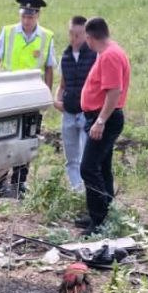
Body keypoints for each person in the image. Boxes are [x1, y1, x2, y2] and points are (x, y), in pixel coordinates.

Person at [0, 0, 56, 197]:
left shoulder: (46, 37)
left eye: (31, 17)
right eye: (24, 16)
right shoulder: (8, 32)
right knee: (3, 137)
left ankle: (19, 183)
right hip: (7, 95)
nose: (27, 21)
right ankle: (0, 182)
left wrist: (47, 94)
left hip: (31, 97)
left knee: (28, 137)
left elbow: (50, 68)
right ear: (20, 15)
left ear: (37, 16)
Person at [77, 16, 130, 235]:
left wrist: (100, 121)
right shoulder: (109, 52)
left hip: (104, 118)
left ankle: (98, 221)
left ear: (90, 38)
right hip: (100, 117)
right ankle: (102, 214)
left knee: (88, 168)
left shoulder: (109, 56)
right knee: (102, 167)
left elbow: (114, 91)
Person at [55, 15, 95, 193]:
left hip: (87, 113)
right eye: (71, 34)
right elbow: (62, 84)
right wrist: (57, 99)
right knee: (71, 158)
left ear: (86, 35)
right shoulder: (65, 56)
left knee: (87, 157)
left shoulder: (94, 55)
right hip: (69, 111)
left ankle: (89, 190)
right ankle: (77, 191)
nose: (74, 38)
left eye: (78, 34)